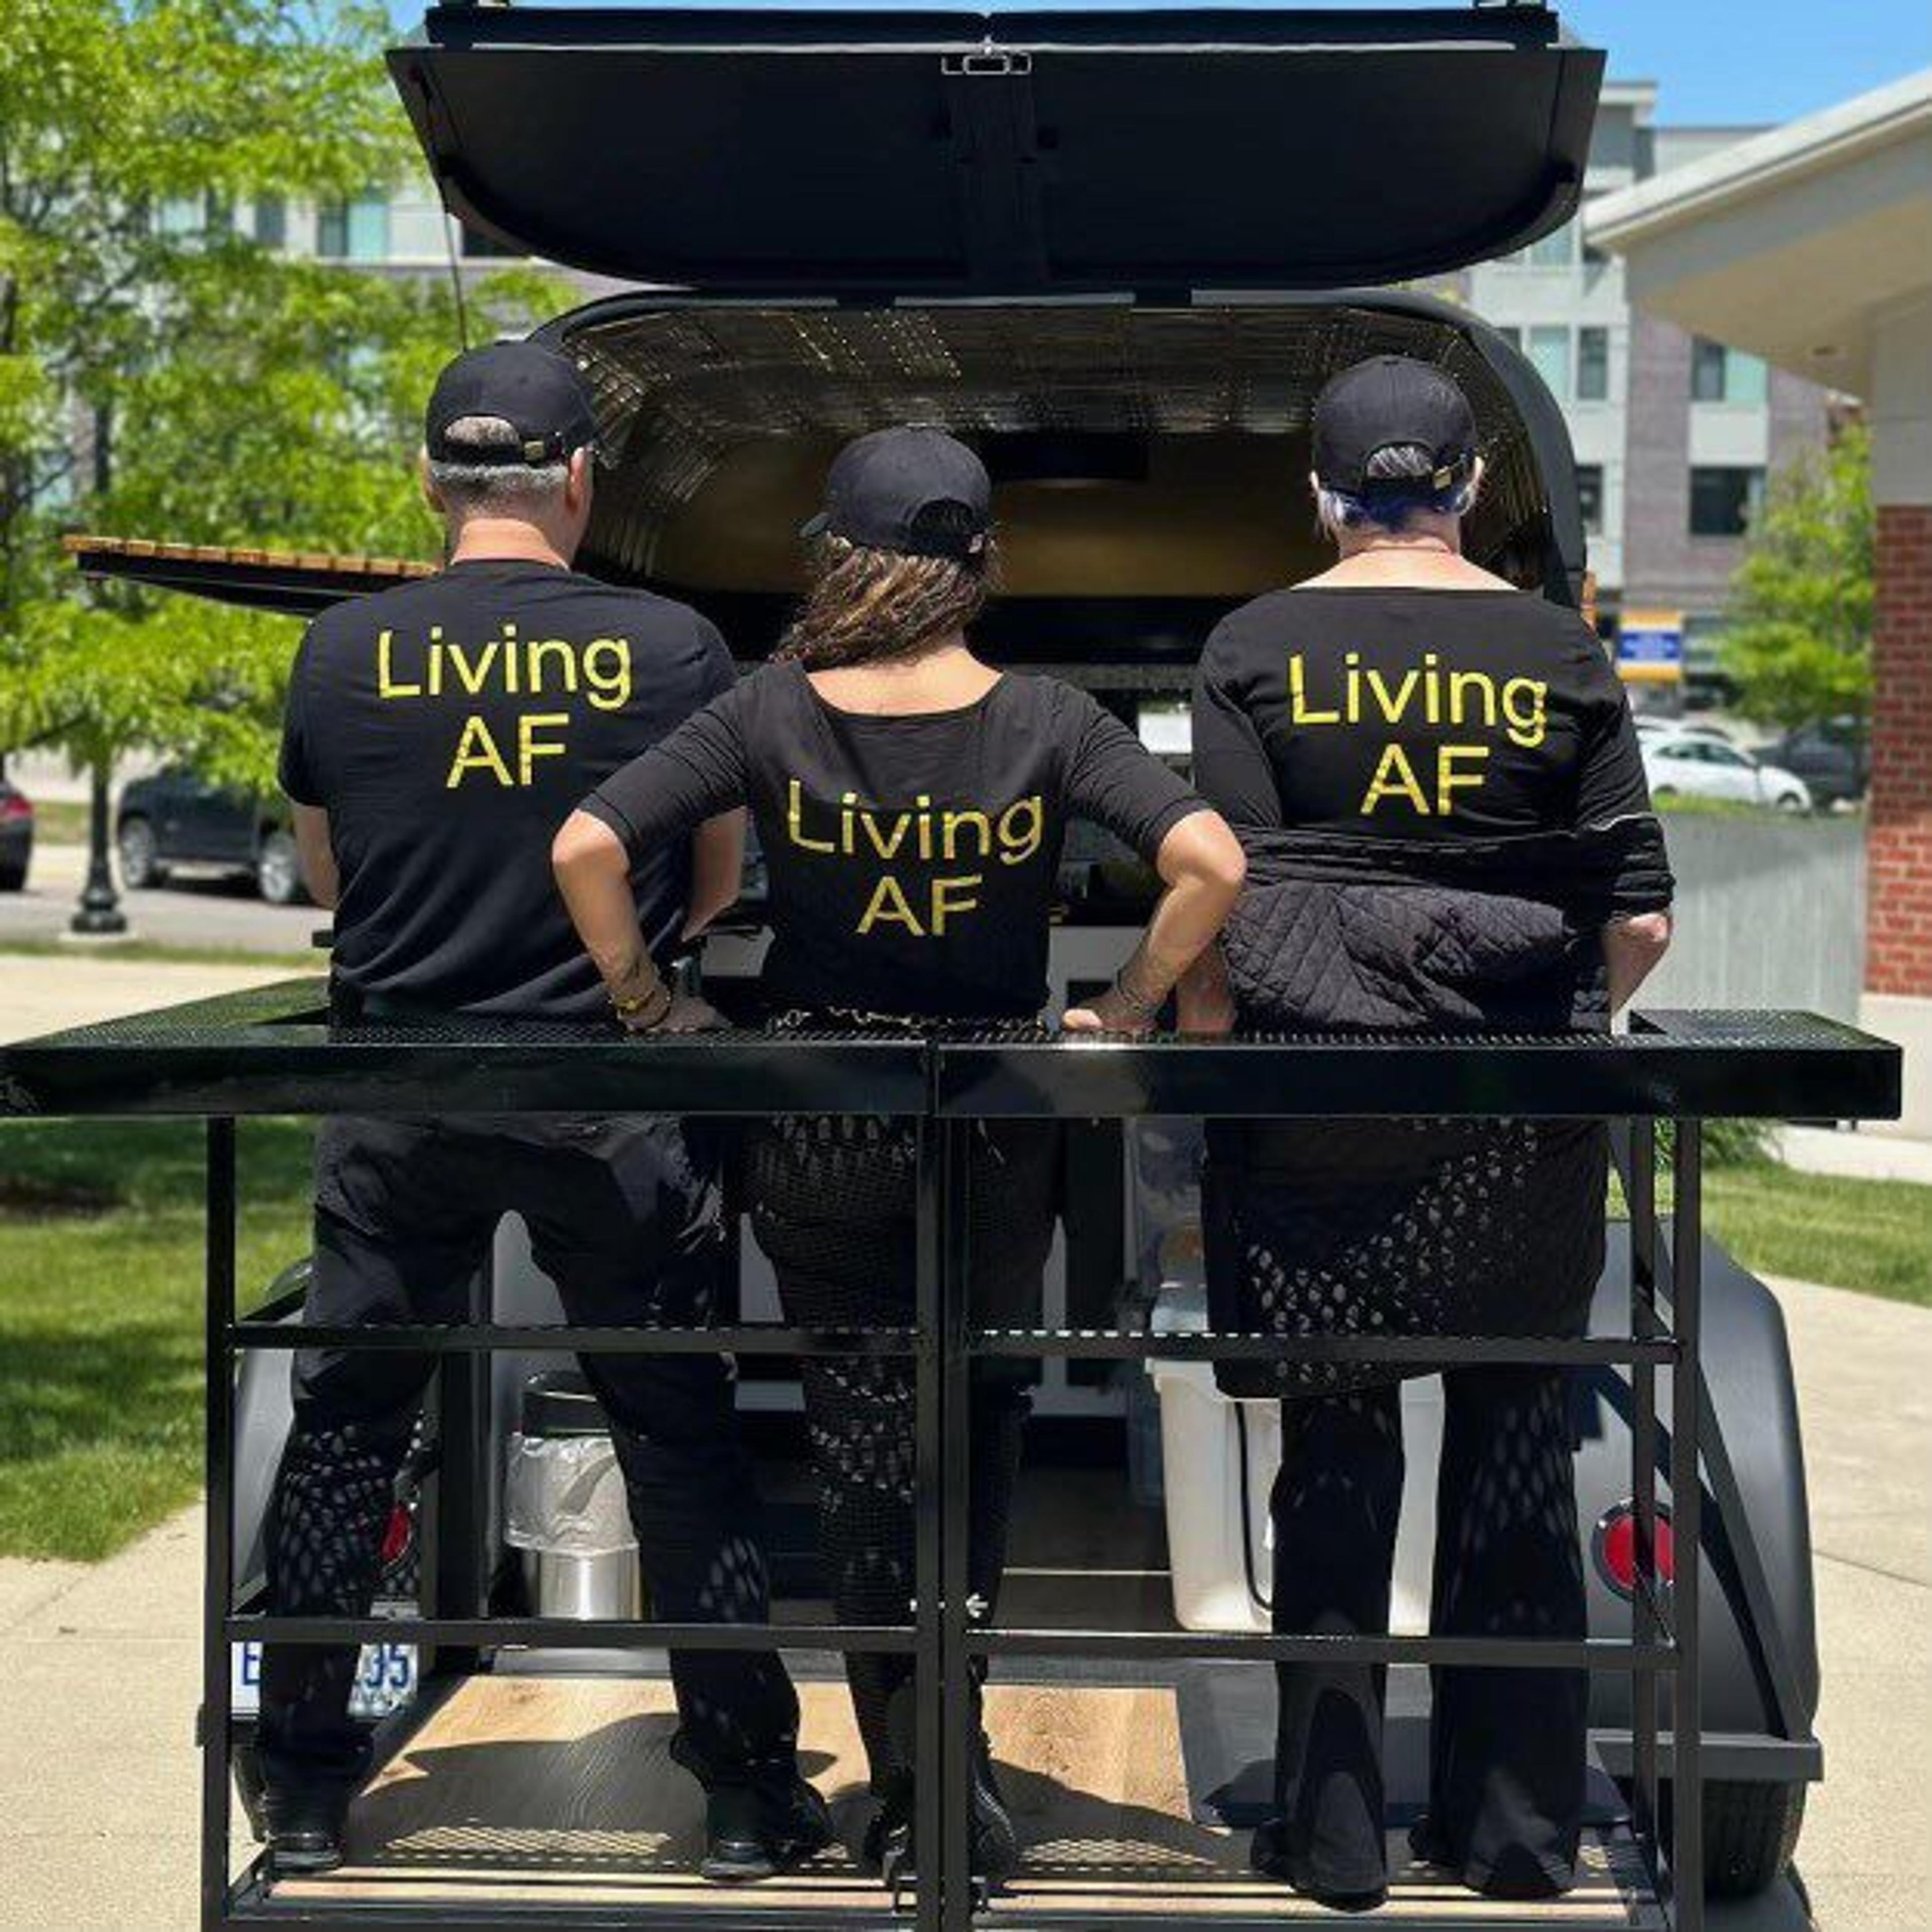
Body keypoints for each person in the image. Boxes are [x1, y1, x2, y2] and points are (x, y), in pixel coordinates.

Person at [554, 425, 1246, 1892]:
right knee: (974, 1437)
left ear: (838, 561)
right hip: (996, 1128)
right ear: (982, 566)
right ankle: (956, 1773)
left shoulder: (770, 710)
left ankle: (916, 1785)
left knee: (864, 1455)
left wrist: (649, 1005)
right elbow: (1212, 867)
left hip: (823, 1126)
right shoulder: (1050, 718)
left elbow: (586, 849)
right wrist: (1121, 1010)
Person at [262, 341, 827, 1884]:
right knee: (677, 1437)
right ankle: (745, 1788)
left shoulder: (340, 651)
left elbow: (332, 880)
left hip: (399, 1088)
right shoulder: (671, 647)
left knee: (346, 1432)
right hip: (609, 1089)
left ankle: (303, 1780)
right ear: (583, 480)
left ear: (429, 479)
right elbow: (711, 882)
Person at [1183, 356, 1673, 1910]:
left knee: (1334, 1448)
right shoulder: (1559, 648)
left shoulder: (1255, 643)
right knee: (1521, 1446)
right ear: (1467, 488)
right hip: (1518, 1109)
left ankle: (1331, 1839)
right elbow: (1642, 920)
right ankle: (1519, 1836)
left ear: (1322, 495)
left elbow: (1229, 893)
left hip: (1321, 1100)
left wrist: (1211, 1034)